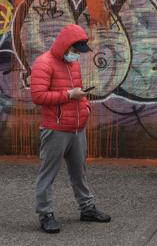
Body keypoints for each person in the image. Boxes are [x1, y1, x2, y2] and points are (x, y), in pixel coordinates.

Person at [30, 24, 111, 233]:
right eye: (75, 51)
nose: (77, 56)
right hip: (55, 129)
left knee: (79, 172)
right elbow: (38, 96)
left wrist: (84, 107)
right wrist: (69, 95)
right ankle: (45, 214)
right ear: (65, 46)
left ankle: (87, 208)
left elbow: (78, 91)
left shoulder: (72, 65)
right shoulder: (44, 63)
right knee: (48, 174)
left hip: (77, 128)